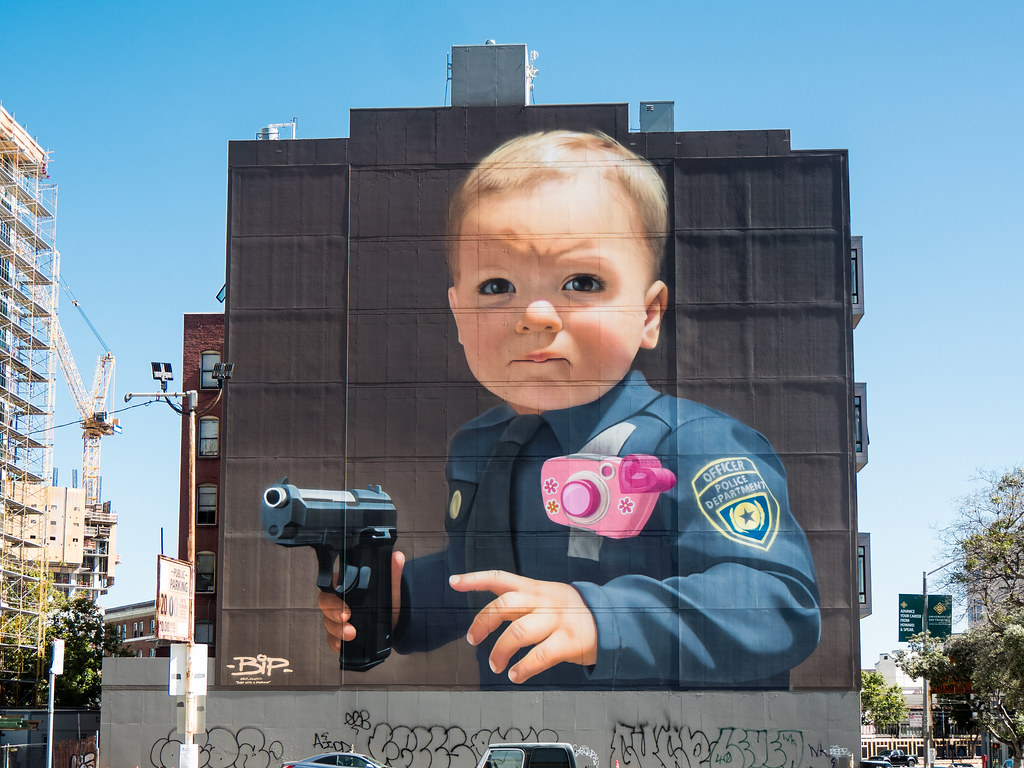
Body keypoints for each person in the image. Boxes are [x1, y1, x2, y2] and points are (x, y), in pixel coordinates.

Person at [320, 130, 820, 688]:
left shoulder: (694, 443)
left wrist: (603, 620)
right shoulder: (478, 448)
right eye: (496, 286)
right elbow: (484, 584)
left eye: (582, 282)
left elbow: (779, 604)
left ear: (649, 314)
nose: (535, 314)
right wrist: (399, 608)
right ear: (458, 315)